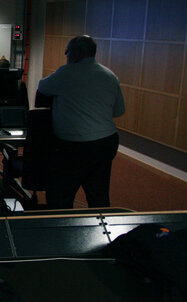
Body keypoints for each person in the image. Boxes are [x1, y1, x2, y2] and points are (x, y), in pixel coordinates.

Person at [37, 35, 125, 209]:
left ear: (78, 53)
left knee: (60, 194)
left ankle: (62, 230)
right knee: (98, 192)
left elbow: (42, 87)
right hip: (106, 143)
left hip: (74, 146)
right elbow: (119, 111)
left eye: (67, 52)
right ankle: (100, 228)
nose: (66, 56)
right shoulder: (109, 75)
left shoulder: (66, 73)